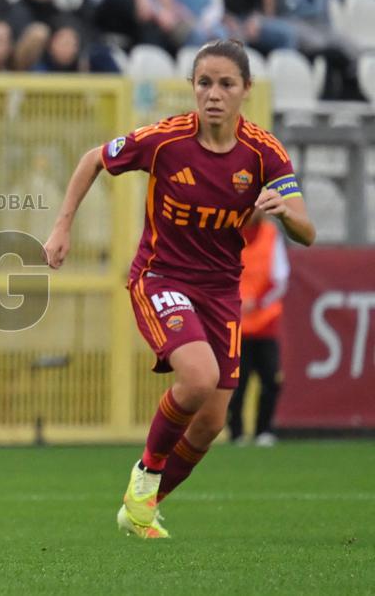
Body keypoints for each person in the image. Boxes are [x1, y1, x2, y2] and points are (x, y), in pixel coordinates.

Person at [44, 39, 315, 539]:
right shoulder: (166, 140)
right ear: (193, 87)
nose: (213, 94)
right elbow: (93, 160)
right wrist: (61, 227)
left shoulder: (264, 153)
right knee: (197, 378)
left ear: (245, 91)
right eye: (204, 83)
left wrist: (285, 215)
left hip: (221, 291)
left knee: (212, 422)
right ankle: (145, 476)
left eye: (226, 84)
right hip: (161, 277)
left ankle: (143, 507)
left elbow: (307, 230)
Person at [227, 211, 289, 447]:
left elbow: (280, 278)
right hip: (235, 323)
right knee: (235, 383)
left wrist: (258, 301)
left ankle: (265, 430)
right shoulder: (228, 233)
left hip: (265, 324)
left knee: (270, 380)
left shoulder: (271, 235)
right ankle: (236, 433)